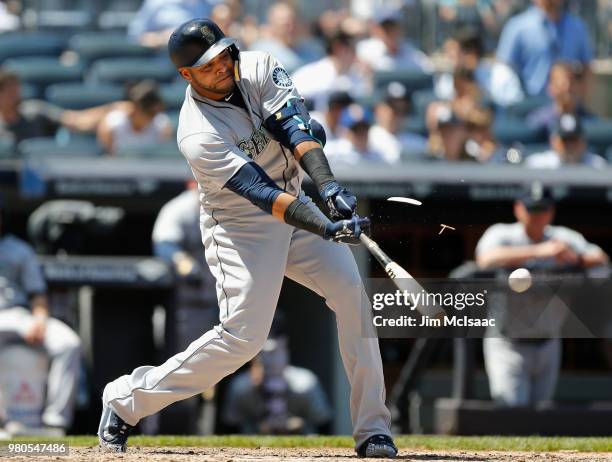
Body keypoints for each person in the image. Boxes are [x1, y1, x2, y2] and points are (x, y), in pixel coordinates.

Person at [98, 18, 397, 458]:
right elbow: (259, 191)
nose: (220, 66)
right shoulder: (196, 132)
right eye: (206, 65)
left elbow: (295, 127)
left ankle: (373, 429)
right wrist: (323, 225)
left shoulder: (258, 67)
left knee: (353, 294)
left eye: (222, 54)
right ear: (186, 75)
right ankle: (125, 400)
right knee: (244, 339)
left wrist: (329, 187)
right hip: (243, 227)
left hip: (296, 200)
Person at [476, 184, 609, 406]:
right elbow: (485, 259)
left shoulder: (564, 237)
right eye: (532, 209)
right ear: (519, 209)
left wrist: (575, 258)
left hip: (549, 341)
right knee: (511, 410)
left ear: (552, 211)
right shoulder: (502, 233)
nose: (537, 216)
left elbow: (601, 259)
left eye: (543, 209)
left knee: (540, 417)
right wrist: (539, 251)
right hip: (509, 342)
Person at [0, 200, 81, 433]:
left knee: (69, 343)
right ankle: (4, 423)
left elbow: (38, 294)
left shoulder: (18, 249)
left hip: (17, 315)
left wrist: (40, 318)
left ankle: (55, 423)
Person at [221, 315, 331, 434]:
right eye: (261, 353)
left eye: (275, 352)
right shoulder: (241, 387)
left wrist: (298, 424)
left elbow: (324, 426)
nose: (269, 360)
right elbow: (230, 428)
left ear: (285, 349)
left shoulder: (305, 383)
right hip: (254, 447)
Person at [0, 69, 129, 145]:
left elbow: (77, 121)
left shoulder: (35, 111)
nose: (17, 96)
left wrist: (113, 108)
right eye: (10, 92)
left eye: (17, 90)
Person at [496, 0, 593, 97]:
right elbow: (504, 69)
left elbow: (586, 68)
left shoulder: (577, 27)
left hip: (565, 104)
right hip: (529, 104)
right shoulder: (517, 27)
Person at [292, 31, 369, 112]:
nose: (355, 54)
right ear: (338, 48)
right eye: (352, 48)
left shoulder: (354, 76)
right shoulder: (311, 74)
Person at [97, 80, 172, 155]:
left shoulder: (162, 125)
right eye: (148, 111)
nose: (152, 117)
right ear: (136, 107)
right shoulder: (113, 123)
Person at [249, 1, 323, 74]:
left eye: (294, 23)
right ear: (273, 26)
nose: (291, 28)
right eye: (286, 25)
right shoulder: (262, 52)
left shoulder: (313, 49)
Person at [526, 60, 595, 133]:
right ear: (551, 87)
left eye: (573, 81)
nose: (568, 86)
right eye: (562, 82)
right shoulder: (537, 122)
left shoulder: (591, 123)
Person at [356, 9, 432, 73]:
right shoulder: (364, 51)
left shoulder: (415, 58)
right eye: (385, 29)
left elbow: (429, 72)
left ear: (401, 29)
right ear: (377, 30)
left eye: (393, 28)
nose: (390, 33)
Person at [325, 103, 398, 165]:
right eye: (356, 130)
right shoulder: (335, 152)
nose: (362, 133)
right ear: (346, 132)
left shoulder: (377, 156)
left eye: (364, 128)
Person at [526, 113, 606, 168]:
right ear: (553, 142)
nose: (570, 146)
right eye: (565, 141)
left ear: (583, 142)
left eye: (574, 140)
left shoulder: (597, 166)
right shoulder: (539, 165)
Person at [128, 0, 218, 49]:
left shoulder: (211, 4)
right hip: (164, 58)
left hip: (202, 56)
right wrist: (161, 38)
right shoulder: (156, 3)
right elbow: (135, 34)